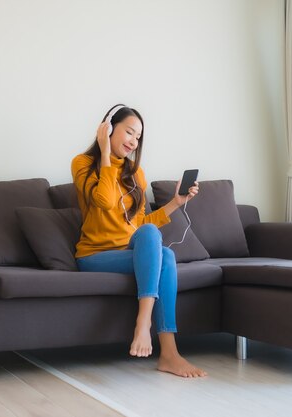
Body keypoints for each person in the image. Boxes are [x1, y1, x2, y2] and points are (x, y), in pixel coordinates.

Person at [71, 104, 207, 378]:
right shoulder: (83, 164)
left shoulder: (136, 173)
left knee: (161, 250)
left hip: (130, 252)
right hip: (95, 256)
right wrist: (105, 153)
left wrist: (176, 203)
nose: (133, 141)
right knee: (162, 254)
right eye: (129, 132)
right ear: (108, 129)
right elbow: (104, 200)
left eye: (138, 137)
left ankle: (168, 353)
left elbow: (141, 224)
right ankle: (145, 326)